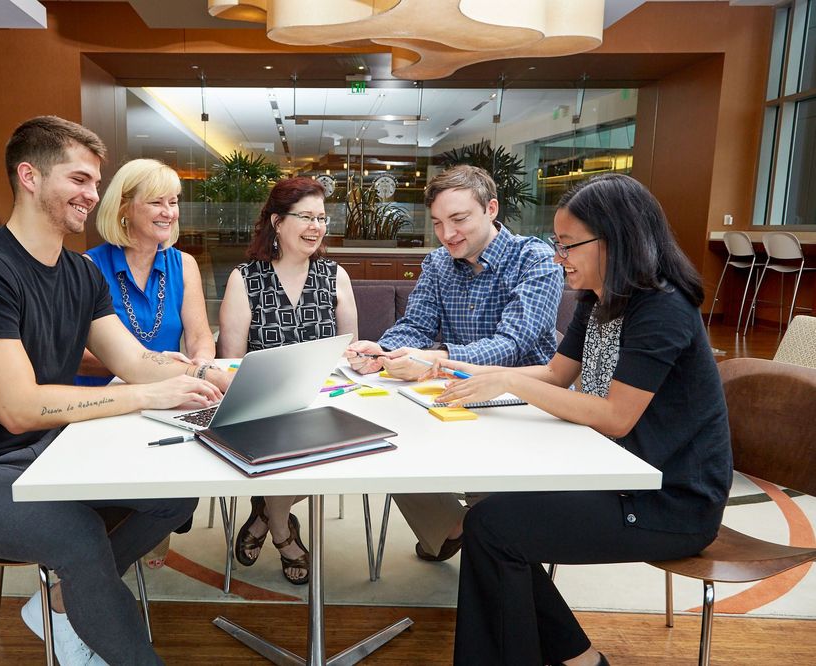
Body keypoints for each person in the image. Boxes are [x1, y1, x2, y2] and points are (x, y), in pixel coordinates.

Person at [0, 116, 233, 666]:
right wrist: (146, 396)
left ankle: (62, 603)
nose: (92, 195)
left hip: (38, 458)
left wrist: (210, 379)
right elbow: (19, 408)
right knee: (78, 535)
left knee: (173, 496)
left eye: (95, 182)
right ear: (29, 176)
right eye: (79, 180)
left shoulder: (80, 274)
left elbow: (133, 361)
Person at [425, 174, 732, 666]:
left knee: (494, 527)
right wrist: (452, 365)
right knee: (493, 520)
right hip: (612, 472)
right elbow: (555, 372)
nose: (557, 257)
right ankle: (582, 659)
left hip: (669, 499)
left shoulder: (663, 307)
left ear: (616, 239)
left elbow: (614, 417)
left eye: (567, 245)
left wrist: (509, 383)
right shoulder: (600, 298)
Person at [347, 164, 563, 562]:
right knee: (389, 445)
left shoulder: (535, 260)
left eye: (459, 219)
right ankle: (457, 527)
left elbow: (513, 344)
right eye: (438, 223)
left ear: (491, 209)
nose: (447, 235)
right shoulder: (437, 263)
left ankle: (482, 529)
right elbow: (416, 325)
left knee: (493, 508)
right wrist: (382, 354)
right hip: (454, 394)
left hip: (524, 404)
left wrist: (436, 360)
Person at [218, 176, 358, 584]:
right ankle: (284, 535)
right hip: (262, 407)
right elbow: (231, 362)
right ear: (277, 222)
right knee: (286, 442)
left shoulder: (335, 275)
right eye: (306, 217)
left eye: (321, 218)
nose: (316, 226)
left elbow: (349, 350)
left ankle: (264, 515)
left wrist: (361, 359)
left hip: (324, 402)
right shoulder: (246, 278)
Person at [77, 158, 216, 568]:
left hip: (169, 399)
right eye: (157, 201)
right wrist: (140, 369)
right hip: (104, 404)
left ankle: (148, 524)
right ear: (123, 207)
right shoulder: (88, 267)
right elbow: (77, 357)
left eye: (173, 202)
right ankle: (111, 540)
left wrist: (201, 368)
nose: (170, 212)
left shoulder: (183, 263)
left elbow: (199, 336)